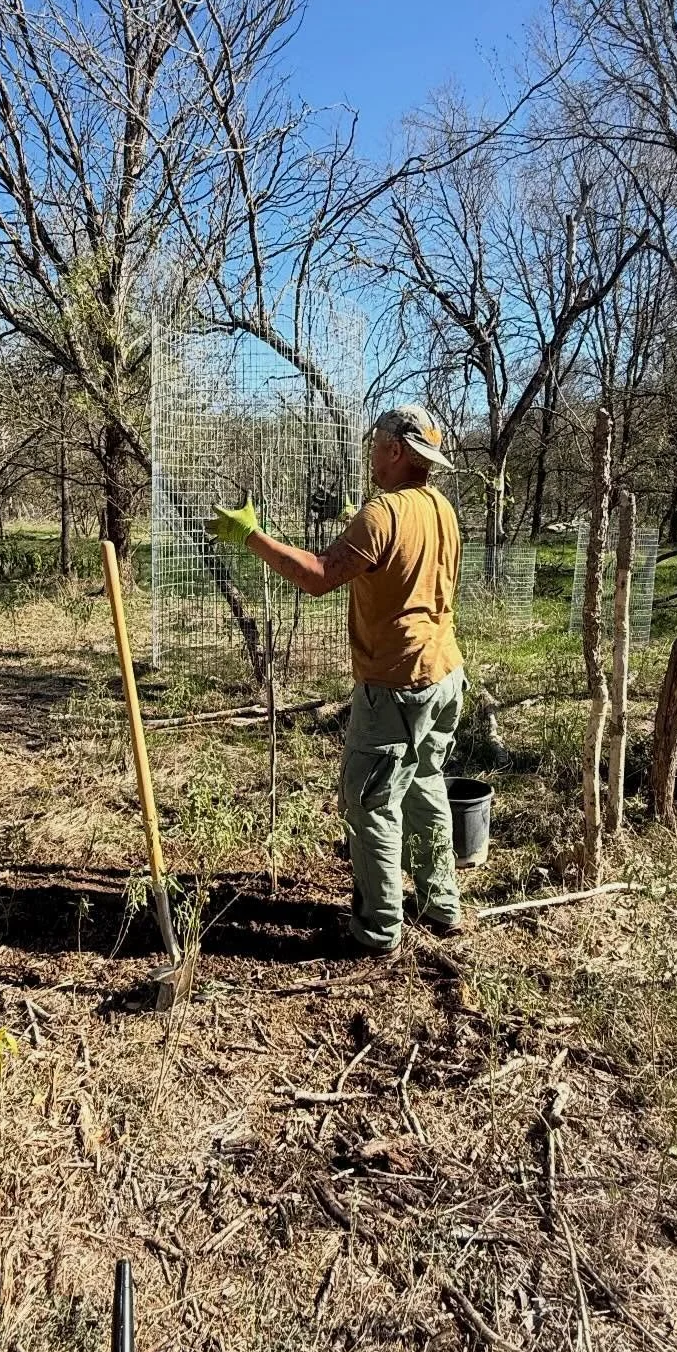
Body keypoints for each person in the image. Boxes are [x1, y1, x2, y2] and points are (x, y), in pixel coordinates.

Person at [206, 404, 465, 954]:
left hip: (396, 682)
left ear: (396, 450)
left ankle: (379, 930)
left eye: (376, 443)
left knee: (371, 801)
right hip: (444, 674)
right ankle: (441, 904)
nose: (370, 451)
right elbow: (401, 555)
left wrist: (251, 535)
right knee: (425, 785)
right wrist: (352, 513)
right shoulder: (440, 507)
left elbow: (320, 576)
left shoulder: (381, 513)